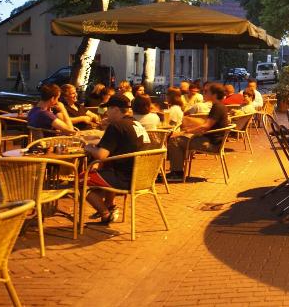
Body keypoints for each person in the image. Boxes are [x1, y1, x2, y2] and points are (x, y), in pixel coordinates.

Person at [84, 95, 151, 224]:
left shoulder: (116, 126)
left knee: (81, 180)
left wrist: (88, 147)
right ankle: (109, 205)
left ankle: (105, 214)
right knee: (106, 168)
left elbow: (101, 155)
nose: (106, 112)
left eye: (108, 109)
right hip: (142, 177)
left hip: (124, 178)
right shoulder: (135, 123)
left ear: (115, 109)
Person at [166, 83, 229, 180]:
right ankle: (177, 170)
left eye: (206, 92)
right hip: (213, 141)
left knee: (174, 140)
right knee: (180, 138)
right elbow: (207, 125)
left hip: (212, 144)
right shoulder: (220, 106)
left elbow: (206, 126)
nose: (204, 93)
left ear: (214, 94)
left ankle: (177, 173)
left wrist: (184, 132)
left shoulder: (217, 107)